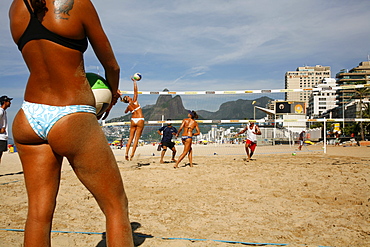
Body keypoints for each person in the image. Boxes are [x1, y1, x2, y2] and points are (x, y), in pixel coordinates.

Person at [9, 1, 133, 246]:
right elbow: (112, 65)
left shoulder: (16, 8)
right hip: (70, 111)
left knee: (38, 214)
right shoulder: (79, 4)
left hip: (28, 115)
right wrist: (112, 94)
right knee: (115, 207)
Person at [121, 77, 144, 161]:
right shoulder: (134, 101)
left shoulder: (128, 106)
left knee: (130, 138)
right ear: (128, 99)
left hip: (133, 120)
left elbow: (125, 112)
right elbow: (136, 92)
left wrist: (125, 103)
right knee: (136, 139)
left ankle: (126, 153)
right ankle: (132, 155)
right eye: (128, 96)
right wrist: (134, 82)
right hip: (140, 119)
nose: (129, 96)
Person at [0, 96, 12, 165]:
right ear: (4, 102)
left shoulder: (3, 111)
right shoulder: (1, 111)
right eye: (9, 101)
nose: (10, 103)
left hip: (2, 137)